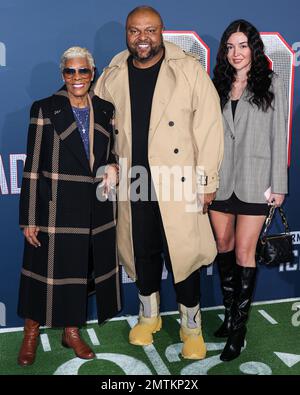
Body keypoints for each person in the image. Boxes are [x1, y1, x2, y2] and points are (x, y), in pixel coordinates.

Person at [94, 6, 223, 360]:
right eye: (135, 31)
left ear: (162, 31)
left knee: (183, 256)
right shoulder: (113, 72)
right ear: (127, 33)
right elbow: (100, 126)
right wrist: (106, 165)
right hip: (134, 180)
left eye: (150, 30)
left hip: (178, 180)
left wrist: (207, 179)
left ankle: (191, 327)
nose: (143, 38)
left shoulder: (188, 70)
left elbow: (210, 128)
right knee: (142, 252)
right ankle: (148, 317)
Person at [17, 47, 121, 366]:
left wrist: (114, 165)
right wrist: (29, 217)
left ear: (93, 73)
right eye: (70, 72)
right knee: (42, 273)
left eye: (83, 71)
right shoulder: (45, 109)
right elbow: (33, 167)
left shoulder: (105, 109)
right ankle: (31, 333)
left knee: (78, 272)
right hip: (53, 208)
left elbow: (110, 153)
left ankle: (71, 331)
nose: (77, 78)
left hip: (93, 209)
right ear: (62, 75)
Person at [209, 19, 288, 361]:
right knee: (223, 247)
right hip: (221, 180)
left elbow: (279, 137)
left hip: (257, 182)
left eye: (242, 45)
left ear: (253, 48)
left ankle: (238, 331)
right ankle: (229, 315)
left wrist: (279, 185)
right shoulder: (218, 84)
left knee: (244, 254)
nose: (236, 53)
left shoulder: (271, 83)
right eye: (230, 46)